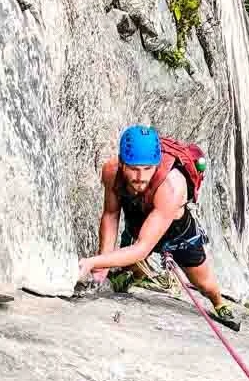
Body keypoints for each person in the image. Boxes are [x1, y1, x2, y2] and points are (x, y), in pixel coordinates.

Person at [77, 125, 240, 331]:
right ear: (122, 162)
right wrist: (101, 268)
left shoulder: (171, 185)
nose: (140, 177)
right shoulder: (111, 171)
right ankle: (135, 274)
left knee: (204, 284)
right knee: (129, 256)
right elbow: (111, 214)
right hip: (139, 217)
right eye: (134, 169)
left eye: (148, 168)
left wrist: (93, 262)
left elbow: (142, 248)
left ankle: (219, 304)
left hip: (177, 232)